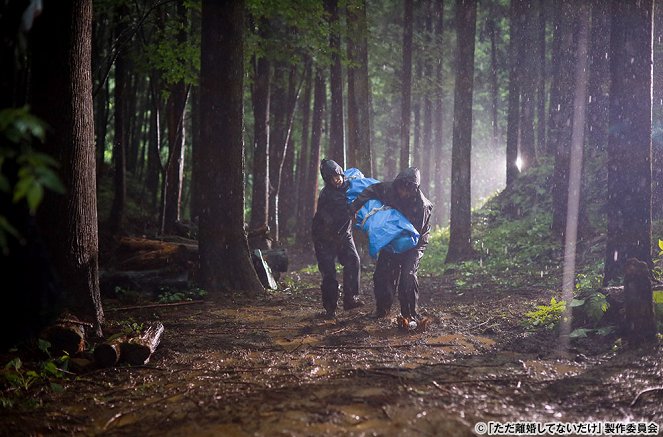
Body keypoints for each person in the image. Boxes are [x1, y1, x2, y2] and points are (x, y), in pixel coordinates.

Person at [349, 167, 432, 321]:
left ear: (414, 189)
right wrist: (354, 207)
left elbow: (415, 235)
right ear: (398, 184)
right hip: (391, 237)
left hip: (414, 242)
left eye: (407, 189)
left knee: (408, 276)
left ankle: (410, 315)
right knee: (382, 274)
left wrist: (401, 252)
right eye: (401, 187)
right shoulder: (389, 189)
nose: (403, 193)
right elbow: (371, 190)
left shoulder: (422, 206)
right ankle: (382, 309)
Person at [311, 159, 364, 319]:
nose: (337, 179)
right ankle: (330, 308)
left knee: (353, 261)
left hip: (343, 234)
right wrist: (351, 208)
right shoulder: (326, 195)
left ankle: (350, 298)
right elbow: (331, 218)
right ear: (327, 180)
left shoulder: (349, 184)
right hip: (324, 238)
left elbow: (364, 188)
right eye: (333, 177)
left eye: (338, 175)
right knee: (329, 273)